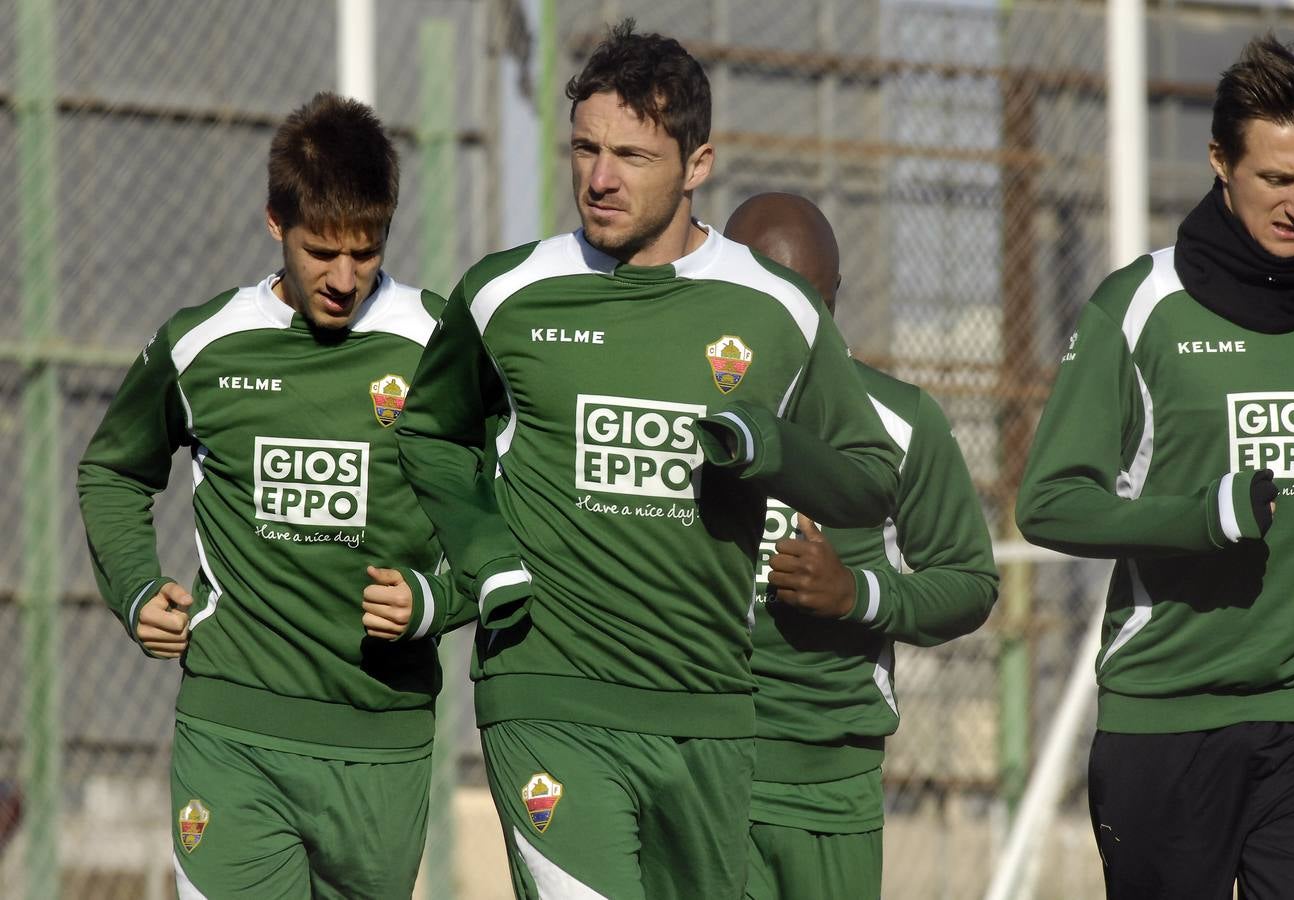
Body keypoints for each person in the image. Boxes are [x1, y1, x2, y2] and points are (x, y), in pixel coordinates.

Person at [395, 21, 901, 900]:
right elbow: (432, 436)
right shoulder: (505, 295)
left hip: (707, 711)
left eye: (631, 155)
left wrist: (769, 448)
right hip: (547, 697)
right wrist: (486, 558)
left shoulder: (778, 309)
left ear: (697, 165)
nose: (599, 178)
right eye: (585, 149)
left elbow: (867, 478)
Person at [76, 92, 489, 899]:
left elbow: (510, 515)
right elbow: (113, 470)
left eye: (365, 253)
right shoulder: (202, 346)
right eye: (321, 252)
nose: (343, 279)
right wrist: (132, 588)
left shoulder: (439, 346)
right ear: (276, 223)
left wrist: (434, 601)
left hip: (380, 741)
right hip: (233, 730)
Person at [1017, 35, 1294, 899]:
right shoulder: (1139, 307)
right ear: (1220, 161)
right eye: (1276, 179)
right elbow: (1051, 502)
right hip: (1166, 714)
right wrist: (1200, 517)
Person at [725, 192, 998, 900]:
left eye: (806, 301)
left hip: (829, 783)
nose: (787, 321)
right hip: (695, 764)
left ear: (835, 296)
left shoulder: (902, 422)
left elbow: (969, 583)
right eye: (762, 295)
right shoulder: (680, 408)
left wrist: (856, 594)